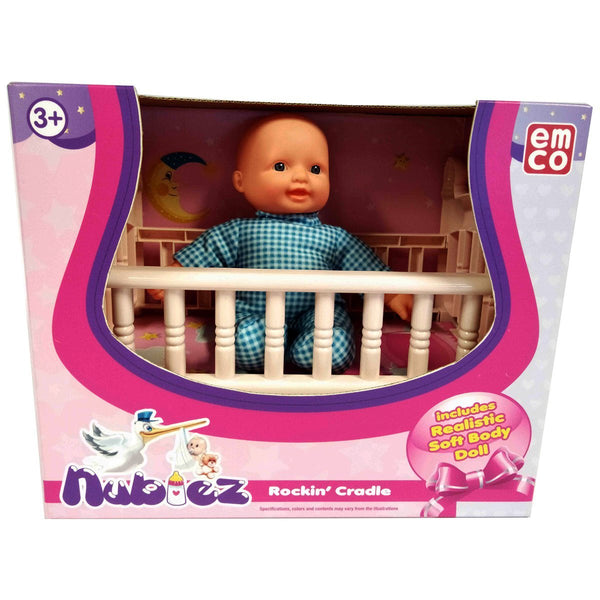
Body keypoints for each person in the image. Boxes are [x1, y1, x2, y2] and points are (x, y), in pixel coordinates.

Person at [149, 115, 412, 373]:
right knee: (244, 340)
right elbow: (209, 250)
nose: (301, 177)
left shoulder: (335, 237)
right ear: (241, 181)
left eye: (315, 169)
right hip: (256, 313)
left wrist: (394, 294)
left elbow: (364, 268)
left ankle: (307, 349)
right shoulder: (240, 231)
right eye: (280, 166)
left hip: (318, 313)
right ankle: (260, 344)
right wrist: (176, 272)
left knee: (333, 340)